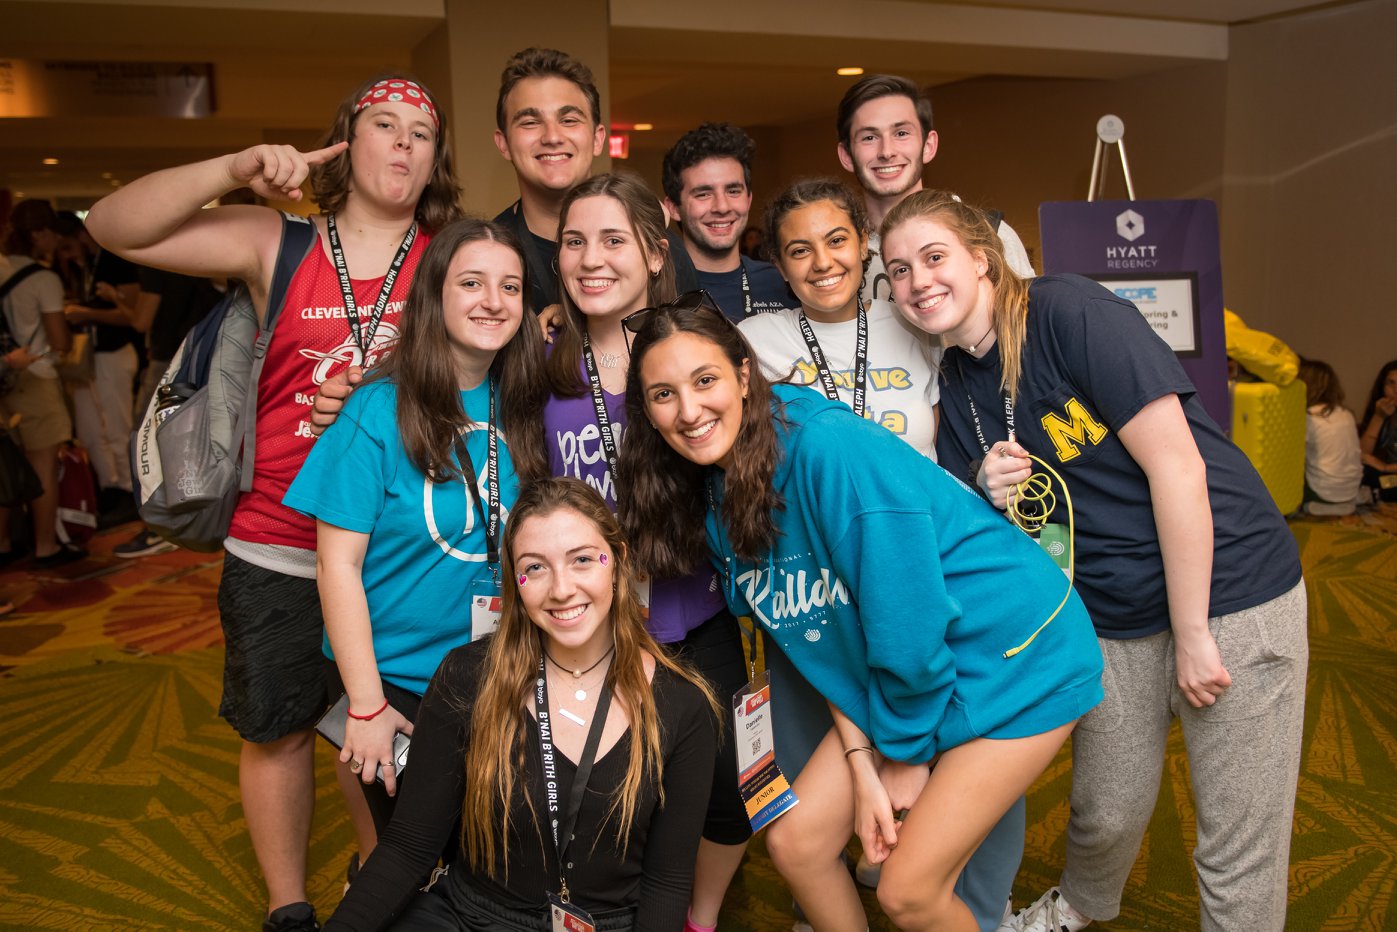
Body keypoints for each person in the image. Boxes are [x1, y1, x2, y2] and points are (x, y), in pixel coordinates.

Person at [86, 73, 462, 931]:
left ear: (435, 159)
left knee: (384, 725)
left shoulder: (448, 259)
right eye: (383, 124)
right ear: (345, 142)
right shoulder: (278, 243)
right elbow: (111, 226)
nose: (403, 142)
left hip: (399, 548)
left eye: (421, 133)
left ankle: (377, 881)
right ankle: (288, 907)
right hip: (279, 540)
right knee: (279, 729)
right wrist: (232, 167)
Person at [880, 190, 1307, 932]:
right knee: (1104, 810)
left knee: (1236, 838)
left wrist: (1193, 631)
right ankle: (1076, 908)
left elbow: (1178, 467)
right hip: (1108, 608)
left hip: (1228, 588)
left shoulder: (1068, 312)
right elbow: (998, 531)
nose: (918, 280)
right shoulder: (954, 381)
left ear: (981, 260)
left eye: (934, 256)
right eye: (897, 270)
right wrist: (986, 486)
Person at [617, 296, 1104, 931]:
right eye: (663, 394)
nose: (689, 411)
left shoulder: (826, 449)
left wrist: (901, 756)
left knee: (908, 893)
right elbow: (820, 641)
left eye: (705, 380)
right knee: (797, 844)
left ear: (744, 373)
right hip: (915, 667)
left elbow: (909, 623)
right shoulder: (710, 490)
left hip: (1017, 655)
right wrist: (860, 760)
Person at [326, 477, 720, 931]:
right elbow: (408, 847)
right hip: (470, 917)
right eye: (535, 567)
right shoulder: (468, 677)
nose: (561, 589)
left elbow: (667, 885)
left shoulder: (681, 706)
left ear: (618, 562)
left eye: (582, 560)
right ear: (516, 582)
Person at [284, 219, 546, 835]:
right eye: (472, 283)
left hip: (496, 671)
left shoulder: (524, 401)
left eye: (510, 287)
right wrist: (366, 705)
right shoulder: (377, 408)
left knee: (498, 845)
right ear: (434, 294)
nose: (493, 301)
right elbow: (336, 566)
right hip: (393, 681)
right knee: (414, 852)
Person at [542, 171, 753, 932]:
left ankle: (700, 916)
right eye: (574, 242)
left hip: (697, 619)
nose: (591, 258)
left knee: (729, 789)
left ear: (655, 253)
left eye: (612, 239)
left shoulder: (689, 353)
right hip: (587, 629)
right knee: (603, 797)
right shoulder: (542, 363)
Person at [738, 179, 938, 458]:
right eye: (800, 251)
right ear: (780, 267)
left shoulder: (911, 322)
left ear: (863, 243)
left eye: (836, 241)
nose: (822, 263)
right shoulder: (755, 339)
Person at [834, 73, 1035, 308]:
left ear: (928, 146)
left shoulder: (989, 234)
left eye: (901, 133)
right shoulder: (835, 253)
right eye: (869, 137)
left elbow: (1025, 323)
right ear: (846, 155)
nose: (886, 152)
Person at [0, 199, 84, 568]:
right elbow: (60, 340)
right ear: (38, 234)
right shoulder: (43, 279)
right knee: (42, 466)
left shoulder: (1, 268)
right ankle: (45, 545)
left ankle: (4, 543)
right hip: (36, 376)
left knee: (5, 464)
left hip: (4, 377)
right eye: (51, 232)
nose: (55, 239)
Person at [491, 47, 608, 314]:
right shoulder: (487, 254)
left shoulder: (649, 246)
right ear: (504, 143)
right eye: (530, 122)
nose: (552, 137)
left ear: (597, 138)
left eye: (569, 120)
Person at [660, 122, 797, 321]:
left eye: (733, 191)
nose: (722, 207)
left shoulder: (783, 282)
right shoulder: (656, 287)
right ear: (673, 208)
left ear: (748, 199)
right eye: (703, 194)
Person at [1297, 358, 1362, 514]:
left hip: (1323, 492)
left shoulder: (1308, 417)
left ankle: (1316, 504)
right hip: (1352, 489)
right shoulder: (1346, 414)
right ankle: (1343, 503)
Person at [1359, 359, 1397, 504]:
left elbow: (1381, 466)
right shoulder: (1382, 412)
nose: (1396, 390)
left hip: (1390, 472)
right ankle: (1374, 493)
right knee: (1361, 472)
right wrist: (1378, 417)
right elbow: (1362, 454)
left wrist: (1385, 467)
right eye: (1391, 383)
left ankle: (1374, 494)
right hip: (1389, 478)